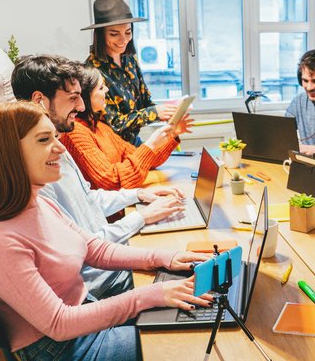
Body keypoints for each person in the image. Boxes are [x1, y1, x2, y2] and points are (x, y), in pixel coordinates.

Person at [0, 101, 213, 361]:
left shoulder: (37, 201)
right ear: (6, 153)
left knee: (192, 316)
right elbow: (60, 323)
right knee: (190, 340)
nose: (60, 149)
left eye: (54, 137)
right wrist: (152, 295)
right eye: (43, 140)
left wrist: (163, 257)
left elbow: (94, 249)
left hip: (82, 331)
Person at [12, 54, 186, 299]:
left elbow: (89, 199)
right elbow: (84, 247)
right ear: (39, 100)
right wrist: (140, 218)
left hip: (111, 261)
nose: (81, 106)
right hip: (102, 281)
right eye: (73, 98)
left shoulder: (58, 144)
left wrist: (137, 195)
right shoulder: (35, 170)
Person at [60, 64, 192, 191]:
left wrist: (171, 134)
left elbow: (146, 161)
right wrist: (151, 144)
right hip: (111, 213)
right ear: (85, 97)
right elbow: (113, 181)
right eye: (101, 88)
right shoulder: (75, 132)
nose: (107, 90)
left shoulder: (99, 126)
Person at [83, 0, 178, 145]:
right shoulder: (92, 71)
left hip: (133, 142)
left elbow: (145, 101)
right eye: (114, 34)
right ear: (100, 35)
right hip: (110, 147)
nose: (123, 40)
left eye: (128, 32)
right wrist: (154, 113)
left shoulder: (130, 60)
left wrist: (170, 112)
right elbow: (115, 124)